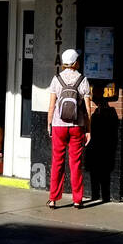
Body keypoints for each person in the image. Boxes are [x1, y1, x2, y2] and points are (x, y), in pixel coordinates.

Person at [46, 48, 92, 209]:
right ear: (75, 62)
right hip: (76, 126)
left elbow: (51, 106)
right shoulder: (83, 80)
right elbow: (88, 109)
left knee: (57, 162)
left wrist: (49, 124)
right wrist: (88, 130)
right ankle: (78, 199)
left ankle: (53, 199)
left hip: (59, 126)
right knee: (76, 163)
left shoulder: (56, 79)